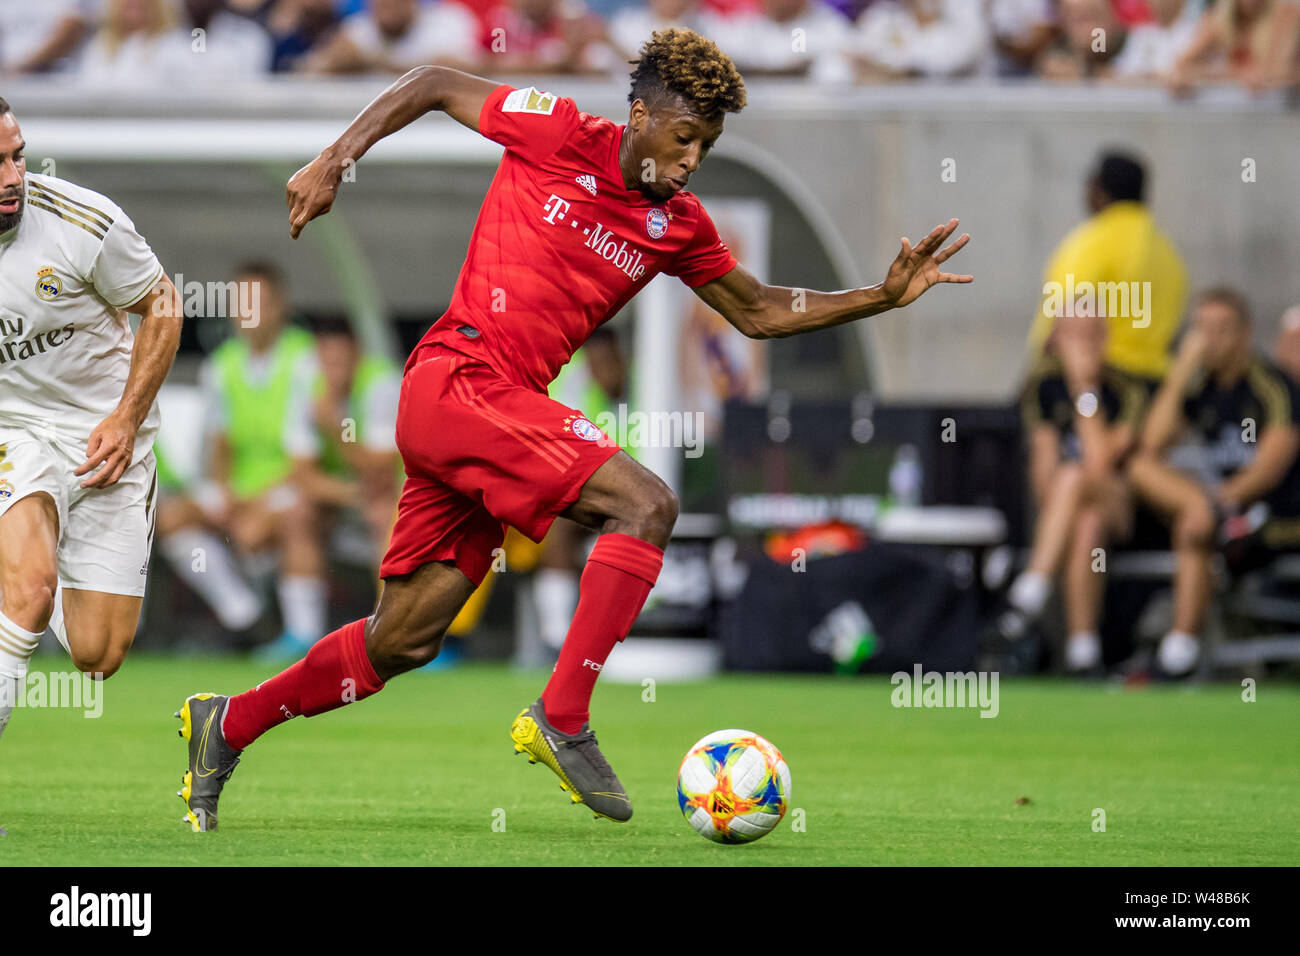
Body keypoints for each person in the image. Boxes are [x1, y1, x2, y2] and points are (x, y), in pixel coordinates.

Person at [175, 28, 971, 832]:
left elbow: (759, 310)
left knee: (404, 639)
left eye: (709, 145)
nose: (693, 159)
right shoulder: (554, 129)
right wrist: (334, 160)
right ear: (638, 116)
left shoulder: (678, 224)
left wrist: (878, 294)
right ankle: (563, 715)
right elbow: (433, 80)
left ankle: (227, 724)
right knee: (647, 505)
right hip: (459, 377)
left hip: (492, 413)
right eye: (685, 137)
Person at [0, 98, 182, 823]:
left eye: (16, 155)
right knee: (30, 590)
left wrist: (126, 416)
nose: (11, 175)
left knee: (97, 656)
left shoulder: (81, 224)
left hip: (108, 437)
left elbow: (163, 304)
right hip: (15, 430)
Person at [1129, 288, 1300, 676]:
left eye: (1221, 329)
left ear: (1244, 333)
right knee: (1142, 470)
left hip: (1272, 517)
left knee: (1197, 524)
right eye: (1202, 329)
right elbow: (1150, 444)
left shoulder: (1272, 387)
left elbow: (1267, 472)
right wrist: (1178, 374)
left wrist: (1214, 501)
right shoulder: (1200, 386)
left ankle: (1178, 655)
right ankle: (1179, 655)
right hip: (1215, 513)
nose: (1210, 339)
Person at [1000, 309, 1149, 674]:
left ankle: (1033, 587)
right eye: (1074, 335)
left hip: (1121, 508)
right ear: (1056, 342)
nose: (1085, 345)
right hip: (1071, 514)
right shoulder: (1043, 389)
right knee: (1086, 521)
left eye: (1092, 334)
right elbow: (1044, 476)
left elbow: (1100, 462)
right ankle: (1083, 651)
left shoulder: (1127, 391)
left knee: (1078, 480)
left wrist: (1084, 390)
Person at [1027, 152, 1188, 390]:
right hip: (1155, 386)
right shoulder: (1169, 253)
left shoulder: (1090, 243)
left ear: (1100, 191)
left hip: (1101, 383)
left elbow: (1061, 315)